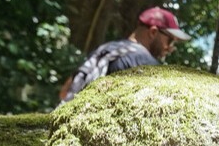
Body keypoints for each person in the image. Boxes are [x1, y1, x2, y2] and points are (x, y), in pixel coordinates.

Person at [59, 7, 190, 103]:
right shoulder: (146, 63)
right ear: (153, 32)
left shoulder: (106, 48)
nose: (171, 48)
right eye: (170, 40)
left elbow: (65, 92)